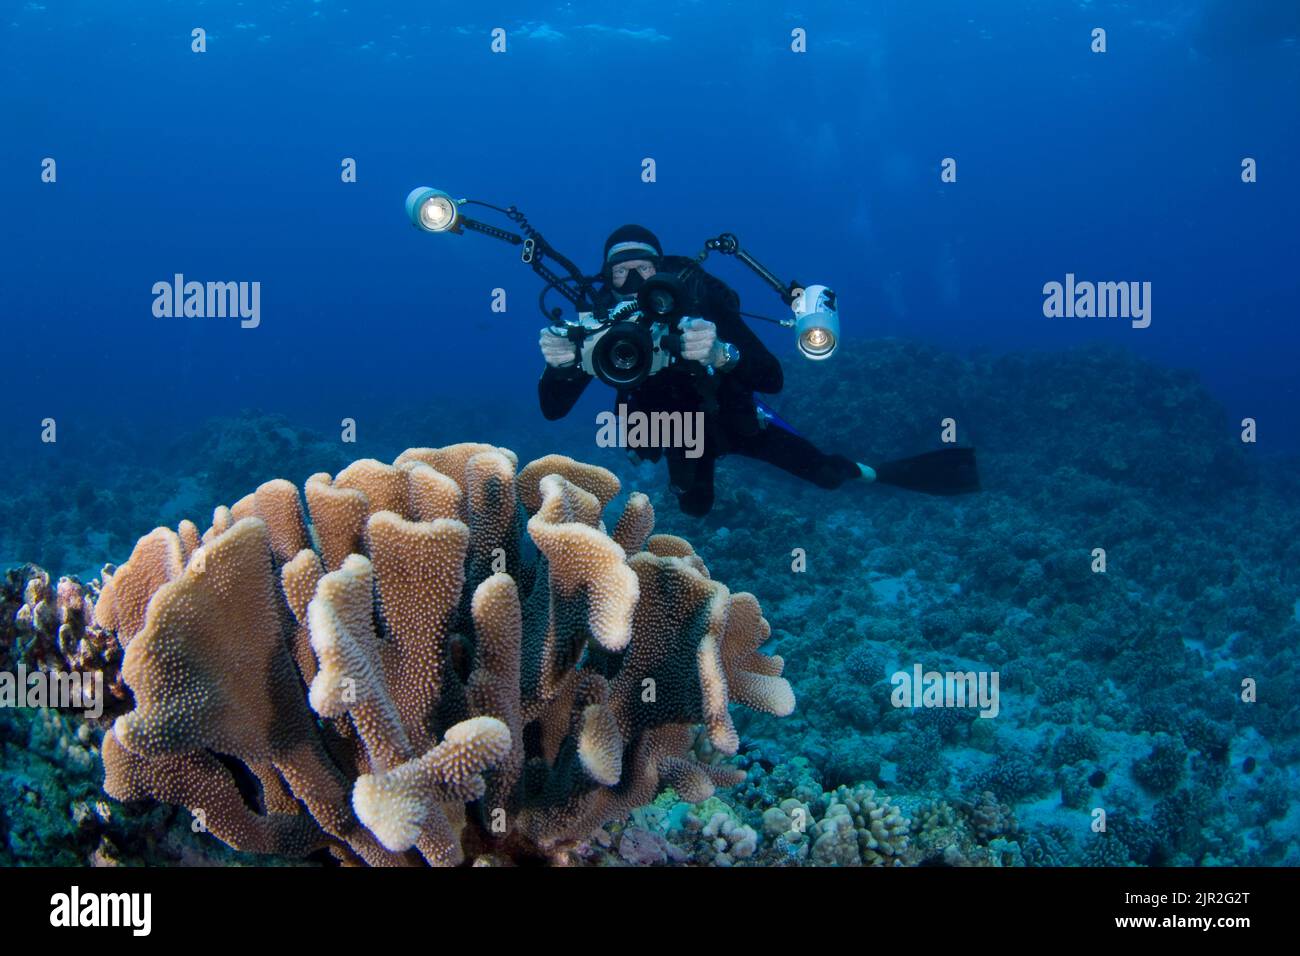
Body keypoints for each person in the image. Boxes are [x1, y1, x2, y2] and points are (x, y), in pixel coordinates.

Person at [537, 224, 977, 516]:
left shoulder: (698, 312)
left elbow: (772, 377)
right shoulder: (599, 327)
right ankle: (694, 480)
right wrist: (559, 366)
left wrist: (719, 354)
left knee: (825, 476)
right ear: (606, 279)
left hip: (734, 421)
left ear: (661, 273)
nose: (633, 282)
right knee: (695, 508)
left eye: (644, 269)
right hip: (669, 433)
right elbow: (552, 410)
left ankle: (881, 472)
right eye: (621, 272)